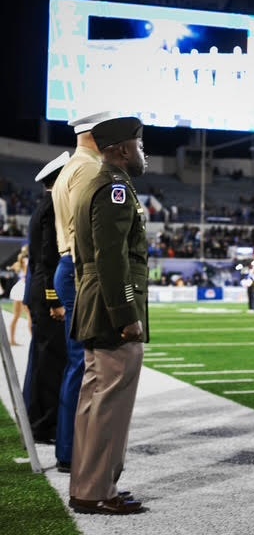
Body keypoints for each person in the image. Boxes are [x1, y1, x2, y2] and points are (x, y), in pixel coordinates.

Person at [68, 116, 149, 515]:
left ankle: (87, 486)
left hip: (95, 304)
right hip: (110, 307)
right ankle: (99, 490)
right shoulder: (114, 187)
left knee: (94, 400)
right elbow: (112, 257)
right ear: (120, 149)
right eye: (137, 144)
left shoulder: (98, 183)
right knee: (110, 404)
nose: (141, 151)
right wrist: (125, 313)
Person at [52, 110, 112, 473]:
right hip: (79, 269)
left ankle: (68, 448)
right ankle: (74, 451)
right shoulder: (89, 168)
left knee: (77, 363)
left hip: (67, 266)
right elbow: (91, 233)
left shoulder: (72, 166)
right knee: (87, 365)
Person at [22, 152, 69, 443]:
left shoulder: (44, 205)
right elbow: (49, 258)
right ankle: (44, 425)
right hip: (47, 293)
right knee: (50, 363)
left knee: (41, 360)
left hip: (37, 291)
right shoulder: (53, 208)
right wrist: (55, 300)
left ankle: (36, 420)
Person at [8, 245, 31, 345]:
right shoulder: (28, 261)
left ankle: (12, 340)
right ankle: (34, 341)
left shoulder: (21, 261)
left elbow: (13, 267)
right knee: (30, 316)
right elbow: (27, 276)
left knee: (16, 316)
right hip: (25, 288)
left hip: (19, 288)